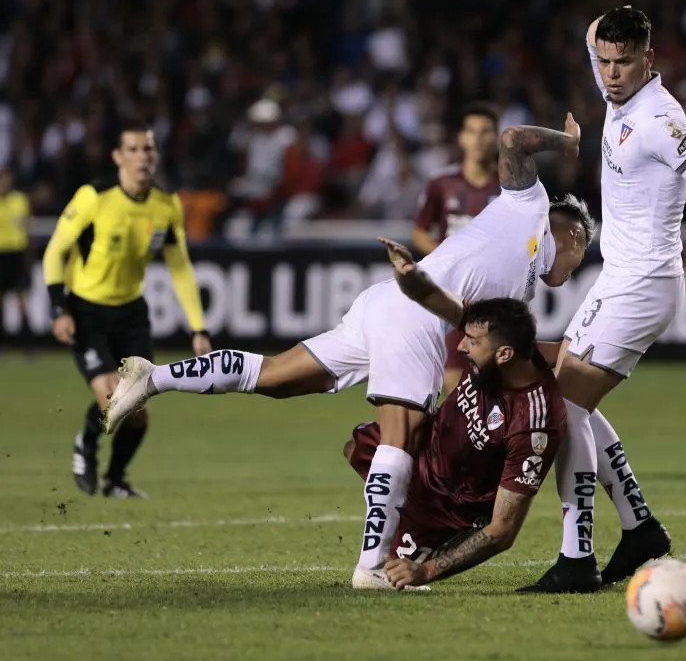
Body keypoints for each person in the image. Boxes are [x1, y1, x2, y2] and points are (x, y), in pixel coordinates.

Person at [102, 115, 592, 588]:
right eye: (581, 253)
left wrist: (565, 354)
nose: (573, 268)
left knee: (275, 377)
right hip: (413, 316)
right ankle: (371, 566)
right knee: (400, 436)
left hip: (387, 302)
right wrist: (564, 144)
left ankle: (152, 378)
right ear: (573, 235)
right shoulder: (528, 204)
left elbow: (499, 341)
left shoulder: (521, 289)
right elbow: (511, 140)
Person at [521, 6, 686, 594]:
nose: (612, 73)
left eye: (625, 62)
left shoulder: (658, 118)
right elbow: (590, 31)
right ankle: (640, 528)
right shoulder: (613, 88)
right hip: (617, 278)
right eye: (605, 61)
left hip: (644, 281)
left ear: (649, 60)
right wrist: (601, 31)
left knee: (564, 405)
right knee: (574, 400)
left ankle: (578, 557)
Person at [345, 293, 565, 591]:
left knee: (396, 571)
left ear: (504, 355)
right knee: (355, 446)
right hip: (424, 450)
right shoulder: (502, 358)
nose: (461, 347)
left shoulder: (533, 424)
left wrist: (426, 571)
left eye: (472, 341)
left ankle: (421, 531)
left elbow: (502, 530)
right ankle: (401, 504)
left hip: (446, 507)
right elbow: (567, 351)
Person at [42, 121, 211, 499]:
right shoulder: (95, 197)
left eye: (148, 149)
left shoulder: (166, 205)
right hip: (86, 309)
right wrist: (58, 309)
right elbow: (55, 250)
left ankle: (115, 480)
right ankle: (85, 443)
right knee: (110, 397)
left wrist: (198, 327)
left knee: (138, 411)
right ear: (118, 157)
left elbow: (180, 267)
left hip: (131, 313)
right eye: (133, 149)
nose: (142, 157)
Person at [411, 102, 502, 396]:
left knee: (497, 382)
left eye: (485, 131)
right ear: (461, 137)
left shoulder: (509, 186)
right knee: (453, 384)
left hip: (495, 296)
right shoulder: (442, 183)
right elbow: (419, 231)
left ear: (497, 137)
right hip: (453, 296)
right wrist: (449, 257)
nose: (477, 139)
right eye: (471, 131)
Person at [0, 167, 32, 342]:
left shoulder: (19, 200)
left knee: (21, 297)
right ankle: (3, 341)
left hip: (17, 253)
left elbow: (26, 225)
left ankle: (28, 341)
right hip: (1, 253)